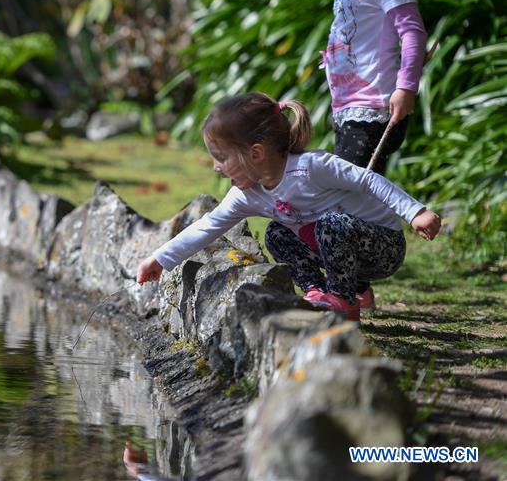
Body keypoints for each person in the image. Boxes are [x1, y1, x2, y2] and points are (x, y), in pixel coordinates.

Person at [136, 93, 441, 321]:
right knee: (276, 234)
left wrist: (415, 212)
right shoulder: (247, 194)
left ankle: (344, 301)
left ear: (256, 153)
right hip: (337, 253)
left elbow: (368, 181)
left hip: (381, 248)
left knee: (330, 224)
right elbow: (209, 225)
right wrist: (160, 259)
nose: (217, 168)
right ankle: (318, 292)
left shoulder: (311, 169)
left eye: (222, 157)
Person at [286, 0, 428, 175]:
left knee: (354, 192)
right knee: (359, 191)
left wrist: (406, 88)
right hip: (349, 110)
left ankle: (383, 221)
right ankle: (380, 222)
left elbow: (412, 33)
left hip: (374, 109)